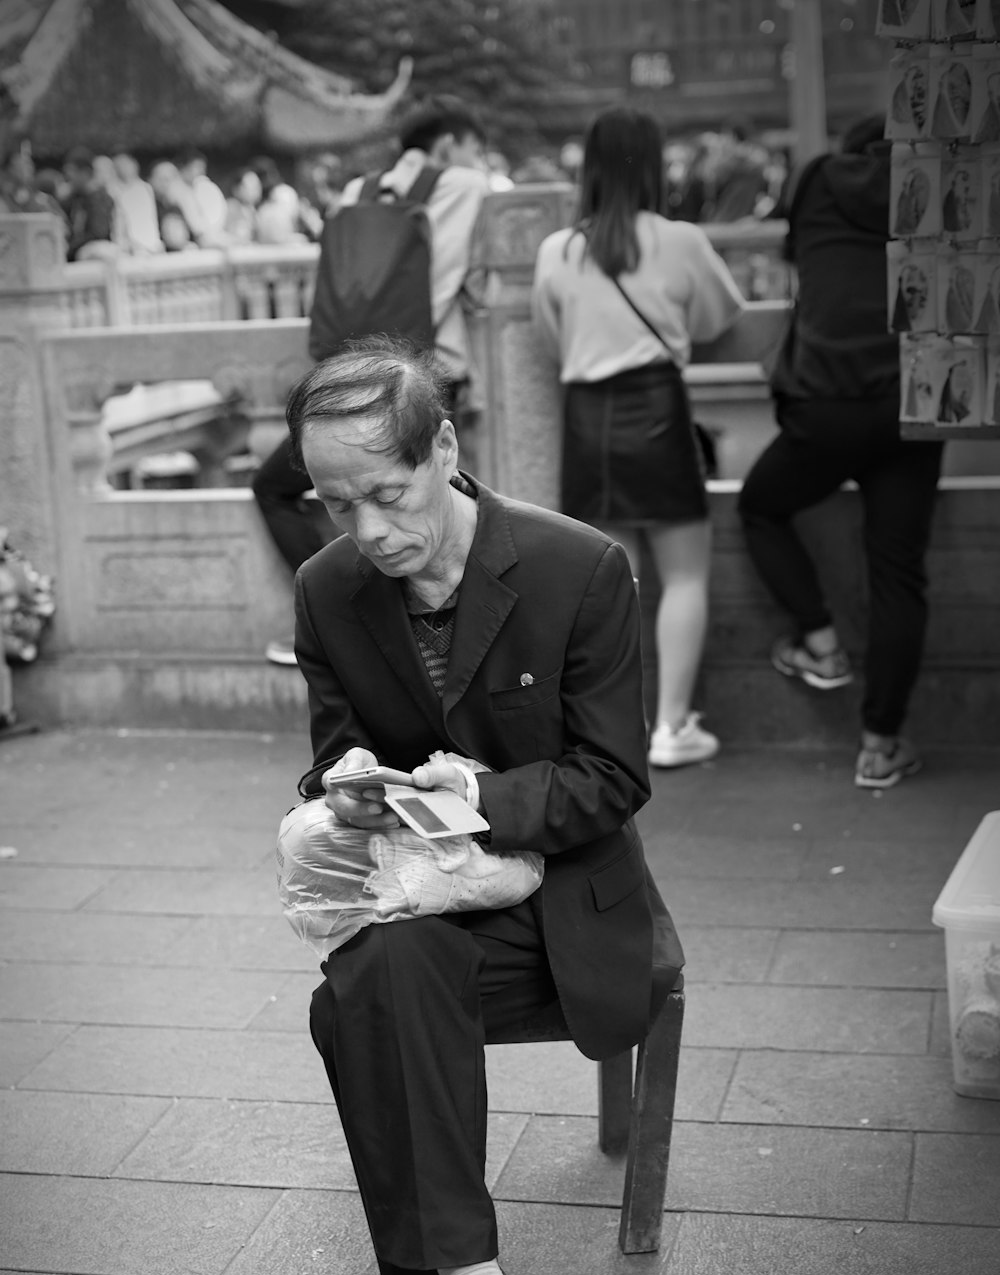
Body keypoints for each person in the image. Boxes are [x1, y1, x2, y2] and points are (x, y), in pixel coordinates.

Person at [285, 334, 683, 1275]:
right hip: (421, 891)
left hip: (558, 902)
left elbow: (613, 777)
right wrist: (351, 785)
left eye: (388, 491)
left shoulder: (578, 566)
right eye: (334, 504)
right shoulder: (329, 590)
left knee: (356, 993)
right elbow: (331, 753)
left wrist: (473, 797)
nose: (367, 531)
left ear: (445, 447)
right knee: (384, 959)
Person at [531, 106, 745, 769]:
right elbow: (719, 317)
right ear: (653, 166)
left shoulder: (559, 250)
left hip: (588, 420)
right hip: (657, 410)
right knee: (684, 574)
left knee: (606, 582)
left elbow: (549, 338)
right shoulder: (681, 241)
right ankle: (673, 727)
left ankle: (613, 727)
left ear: (590, 168)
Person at [737, 115, 945, 790]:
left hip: (822, 403)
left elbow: (801, 260)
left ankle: (820, 642)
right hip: (909, 403)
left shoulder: (821, 177)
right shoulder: (933, 185)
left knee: (761, 506)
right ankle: (880, 744)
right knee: (897, 572)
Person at [252, 97, 491, 666]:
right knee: (440, 502)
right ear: (451, 144)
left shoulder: (355, 193)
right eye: (475, 148)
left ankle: (352, 622)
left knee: (278, 486)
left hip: (350, 381)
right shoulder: (469, 185)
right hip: (426, 379)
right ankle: (434, 635)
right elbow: (482, 286)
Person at [61, 146, 117, 261]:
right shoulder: (74, 199)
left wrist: (70, 249)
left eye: (71, 174)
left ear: (85, 173)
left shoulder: (100, 199)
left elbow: (98, 233)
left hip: (97, 256)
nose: (68, 180)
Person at [111, 153, 163, 254]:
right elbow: (118, 222)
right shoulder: (115, 192)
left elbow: (152, 218)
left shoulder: (146, 188)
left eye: (127, 165)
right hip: (129, 247)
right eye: (120, 166)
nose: (124, 169)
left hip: (151, 244)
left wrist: (156, 241)